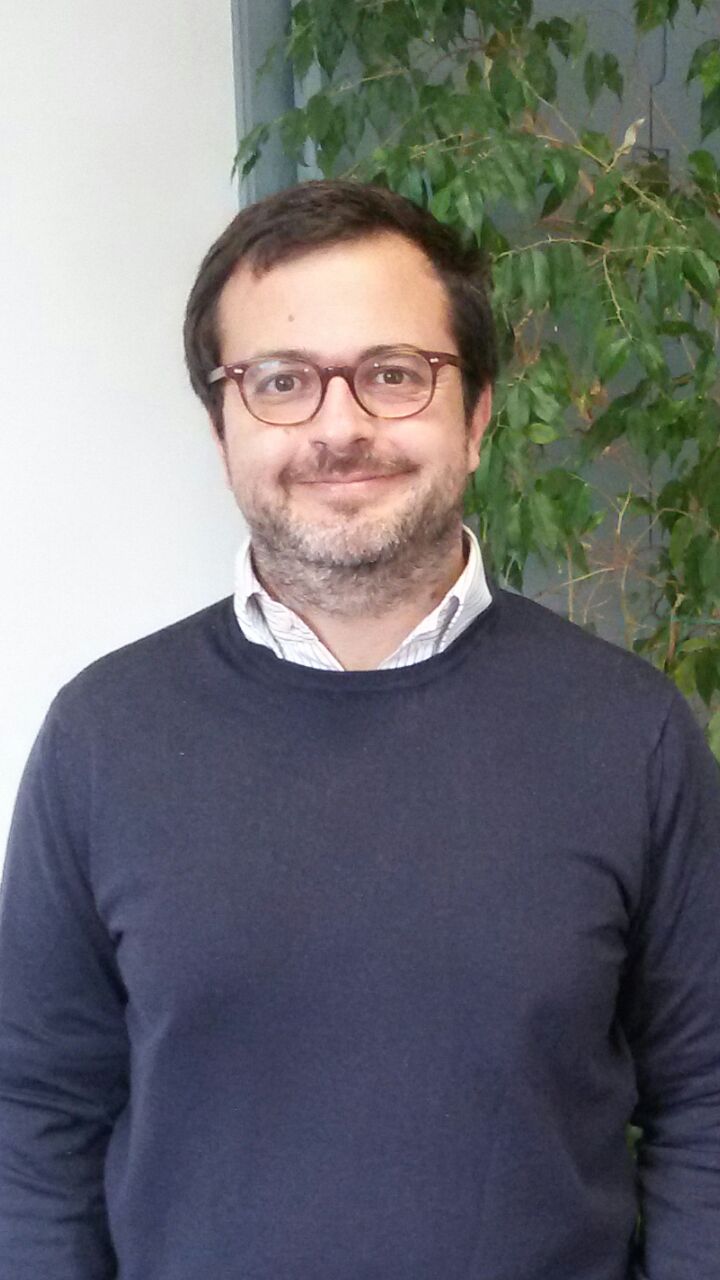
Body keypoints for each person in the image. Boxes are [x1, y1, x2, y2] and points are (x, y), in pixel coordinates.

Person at [1, 179, 718, 1280]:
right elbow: (34, 1123)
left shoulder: (634, 734)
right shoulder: (102, 738)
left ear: (477, 413)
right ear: (223, 426)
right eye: (281, 381)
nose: (340, 427)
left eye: (393, 373)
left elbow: (706, 1104)